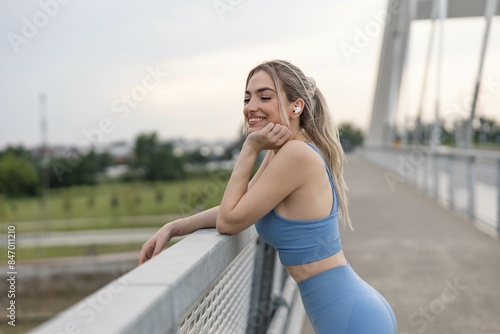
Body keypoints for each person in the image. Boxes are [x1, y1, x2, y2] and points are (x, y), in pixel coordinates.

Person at [139, 59, 397, 334]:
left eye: (264, 97)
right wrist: (176, 226)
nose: (251, 106)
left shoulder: (295, 155)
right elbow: (241, 206)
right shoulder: (281, 151)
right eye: (247, 98)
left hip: (350, 316)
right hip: (346, 309)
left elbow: (229, 221)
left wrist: (249, 147)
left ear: (296, 106)